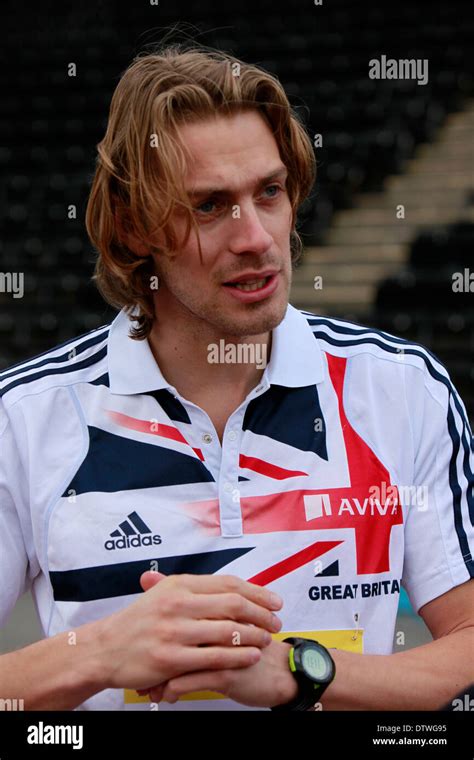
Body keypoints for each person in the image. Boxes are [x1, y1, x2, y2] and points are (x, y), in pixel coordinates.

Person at [0, 43, 472, 712]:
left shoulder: (399, 388)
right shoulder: (24, 418)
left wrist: (301, 672)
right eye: (208, 206)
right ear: (134, 227)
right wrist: (99, 655)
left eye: (269, 192)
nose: (254, 236)